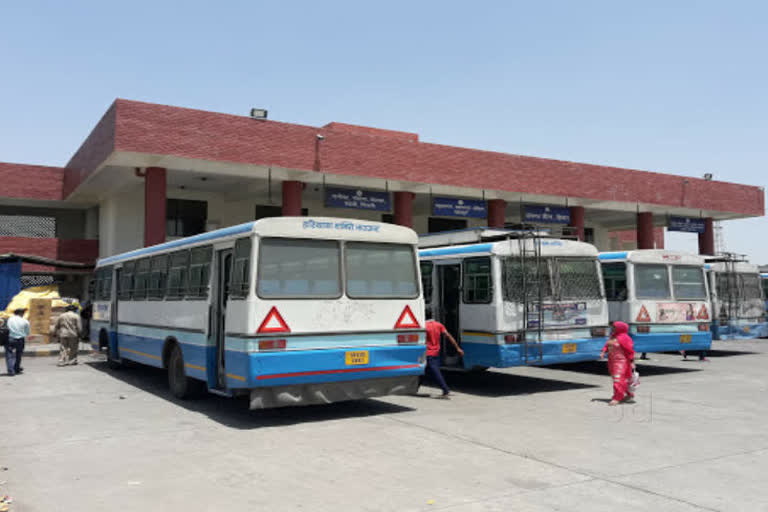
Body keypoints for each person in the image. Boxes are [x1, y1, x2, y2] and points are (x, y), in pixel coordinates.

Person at [423, 313, 464, 398]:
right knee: (425, 370)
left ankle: (446, 390)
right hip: (436, 352)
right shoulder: (439, 325)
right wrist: (457, 348)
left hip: (427, 352)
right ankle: (413, 388)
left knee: (435, 371)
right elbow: (449, 336)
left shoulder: (424, 326)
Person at [599, 321, 635, 406]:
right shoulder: (613, 336)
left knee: (617, 379)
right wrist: (603, 352)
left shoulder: (625, 338)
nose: (613, 329)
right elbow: (606, 345)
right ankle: (628, 394)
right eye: (613, 327)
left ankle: (617, 397)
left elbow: (630, 351)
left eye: (615, 327)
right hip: (611, 361)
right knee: (620, 379)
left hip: (621, 362)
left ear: (620, 328)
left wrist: (631, 361)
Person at [5, 308, 30, 376]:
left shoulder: (9, 319)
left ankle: (11, 371)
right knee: (18, 354)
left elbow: (6, 327)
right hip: (20, 339)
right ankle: (16, 368)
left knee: (9, 355)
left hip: (10, 338)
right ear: (21, 313)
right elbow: (27, 332)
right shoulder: (25, 321)